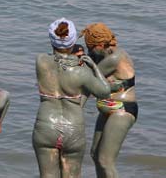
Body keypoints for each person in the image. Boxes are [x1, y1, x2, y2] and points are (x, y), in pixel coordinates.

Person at [32, 18, 110, 178]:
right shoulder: (81, 70)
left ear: (51, 39)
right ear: (73, 41)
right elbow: (105, 91)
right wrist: (94, 67)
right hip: (73, 129)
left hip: (46, 126)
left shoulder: (40, 61)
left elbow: (55, 59)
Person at [81, 23, 137, 178]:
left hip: (122, 110)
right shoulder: (106, 56)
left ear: (100, 45)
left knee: (106, 161)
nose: (89, 51)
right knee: (95, 154)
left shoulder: (114, 58)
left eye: (91, 48)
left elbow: (89, 79)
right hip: (109, 110)